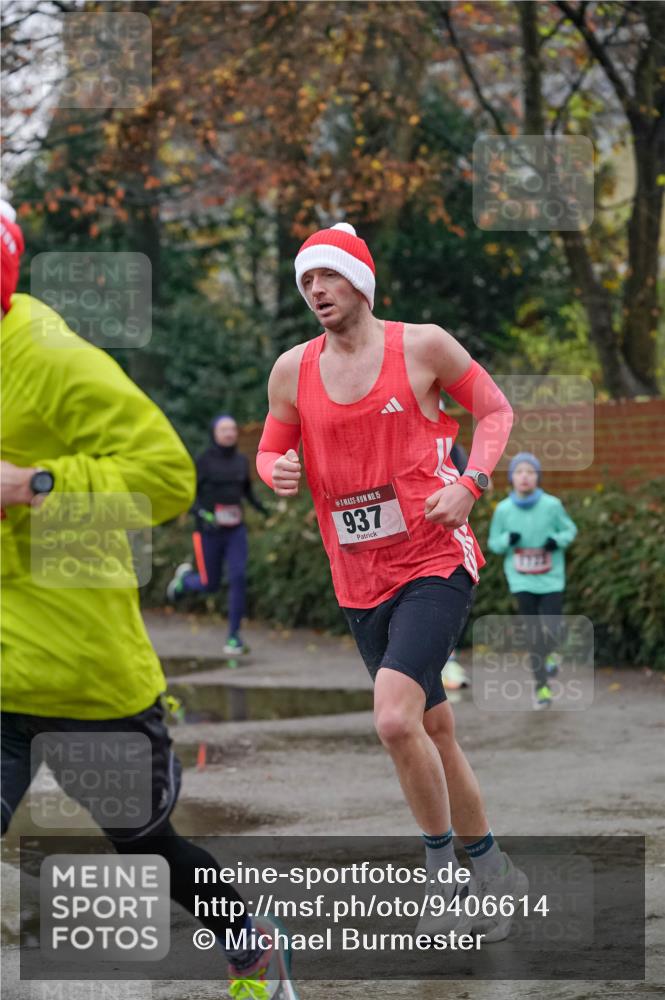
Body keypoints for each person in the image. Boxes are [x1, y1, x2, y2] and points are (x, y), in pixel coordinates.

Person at [0, 200, 298, 999]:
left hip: (83, 673)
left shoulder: (50, 356)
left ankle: (248, 942)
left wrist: (32, 485)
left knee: (145, 844)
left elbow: (168, 478)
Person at [256, 221, 526, 943]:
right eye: (306, 280)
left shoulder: (423, 346)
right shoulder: (291, 370)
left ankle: (446, 881)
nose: (316, 290)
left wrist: (471, 482)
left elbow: (495, 410)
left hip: (433, 561)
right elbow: (271, 449)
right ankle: (493, 868)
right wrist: (274, 470)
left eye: (329, 276)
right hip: (357, 581)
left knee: (392, 719)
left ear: (361, 282)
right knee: (433, 728)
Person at [166, 413, 267, 655]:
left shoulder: (241, 461)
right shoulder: (203, 461)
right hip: (208, 532)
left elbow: (246, 492)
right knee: (209, 584)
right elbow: (189, 496)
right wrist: (203, 514)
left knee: (238, 577)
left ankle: (234, 637)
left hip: (235, 531)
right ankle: (185, 582)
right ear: (214, 433)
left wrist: (263, 510)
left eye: (232, 429)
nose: (230, 433)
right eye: (224, 430)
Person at [488, 451, 578, 709]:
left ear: (537, 477)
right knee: (533, 635)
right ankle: (542, 689)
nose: (524, 477)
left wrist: (557, 541)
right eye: (518, 472)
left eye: (530, 472)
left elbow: (570, 529)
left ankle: (552, 655)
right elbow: (494, 543)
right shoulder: (503, 510)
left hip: (550, 578)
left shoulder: (552, 505)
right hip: (521, 579)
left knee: (554, 627)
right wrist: (508, 541)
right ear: (511, 478)